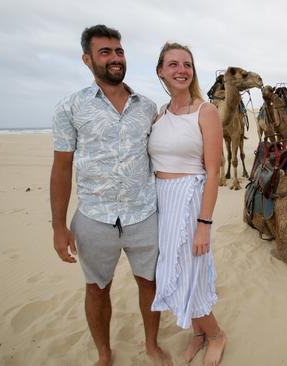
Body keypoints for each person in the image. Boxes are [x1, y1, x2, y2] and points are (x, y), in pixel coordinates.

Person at [49, 25, 171, 366]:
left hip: (144, 214)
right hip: (94, 217)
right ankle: (104, 352)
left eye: (118, 51)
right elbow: (61, 169)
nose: (115, 58)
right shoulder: (70, 108)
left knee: (149, 283)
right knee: (96, 288)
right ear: (87, 59)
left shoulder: (147, 107)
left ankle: (151, 345)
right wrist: (59, 226)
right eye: (105, 52)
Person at [148, 42, 227, 366]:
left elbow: (214, 170)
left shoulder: (204, 111)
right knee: (175, 271)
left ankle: (216, 335)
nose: (181, 70)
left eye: (187, 64)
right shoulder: (160, 114)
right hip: (163, 202)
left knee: (188, 271)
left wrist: (203, 225)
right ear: (161, 71)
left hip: (191, 202)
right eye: (173, 64)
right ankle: (198, 332)